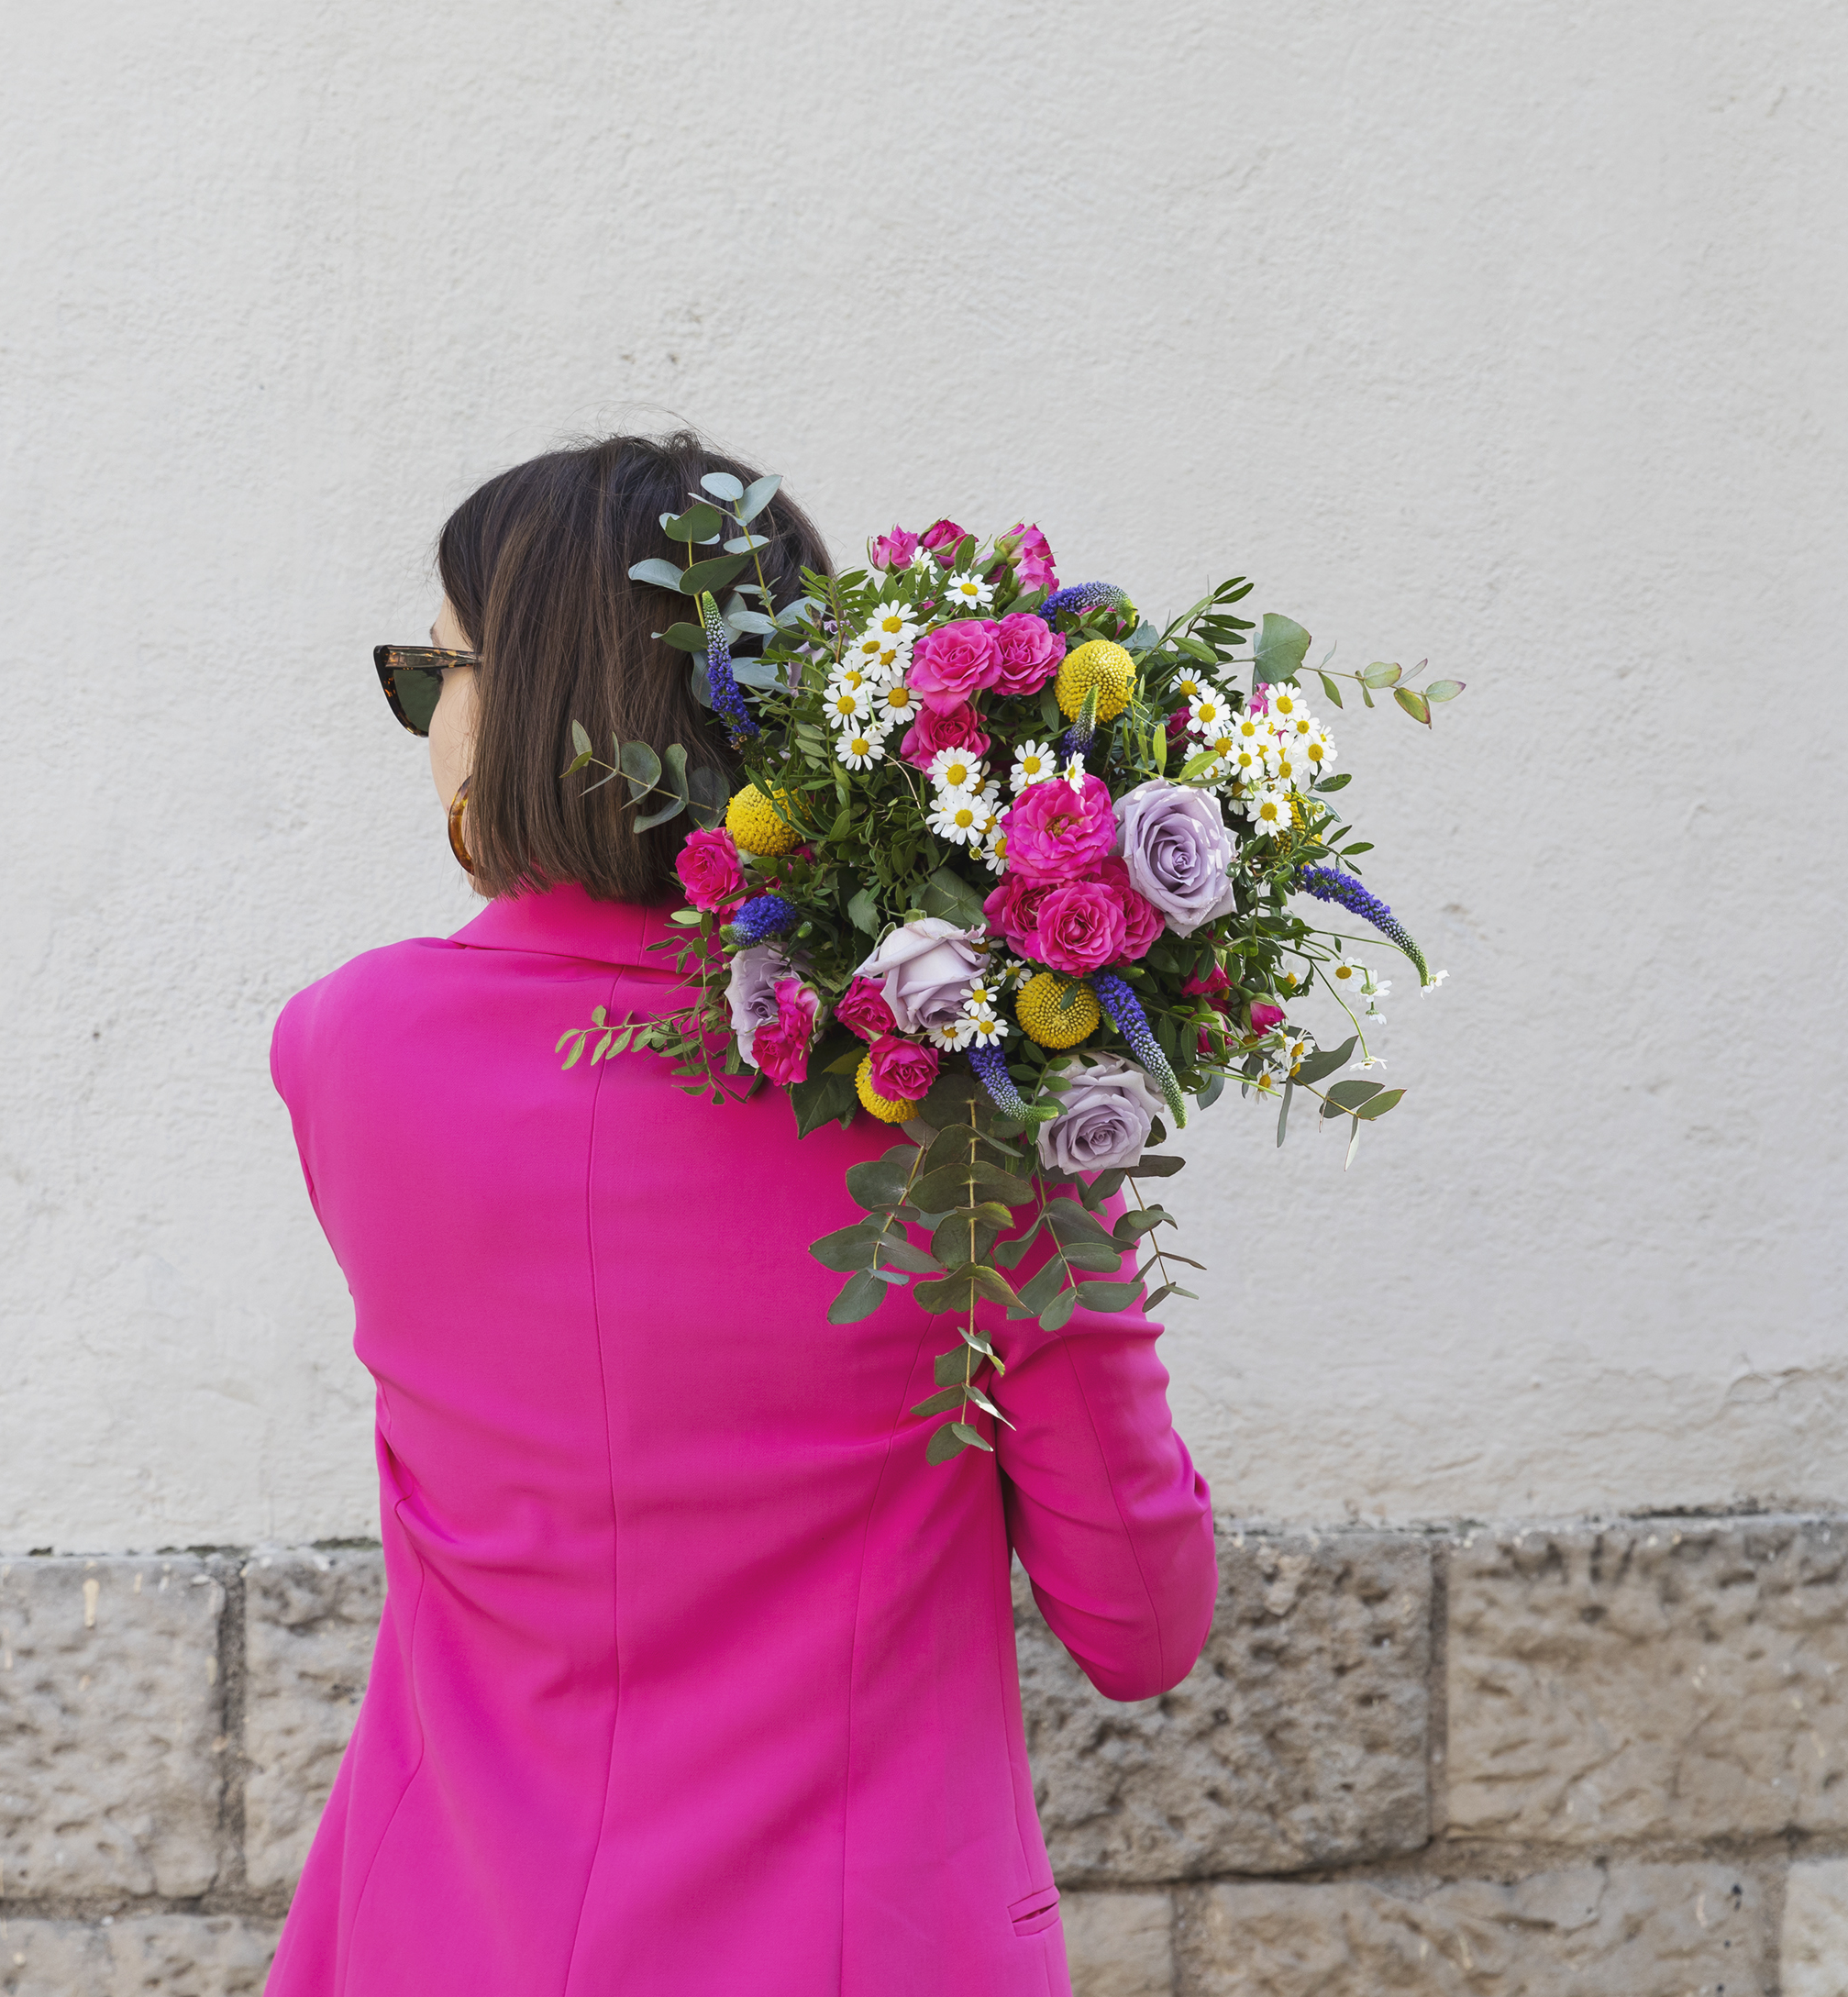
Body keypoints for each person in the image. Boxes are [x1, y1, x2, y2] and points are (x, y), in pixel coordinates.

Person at [261, 433, 1217, 1996]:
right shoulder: (957, 1106)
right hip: (864, 1945)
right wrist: (1059, 1108)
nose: (424, 719)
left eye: (430, 672)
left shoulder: (345, 1054)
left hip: (451, 1928)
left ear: (522, 707)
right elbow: (1139, 1622)